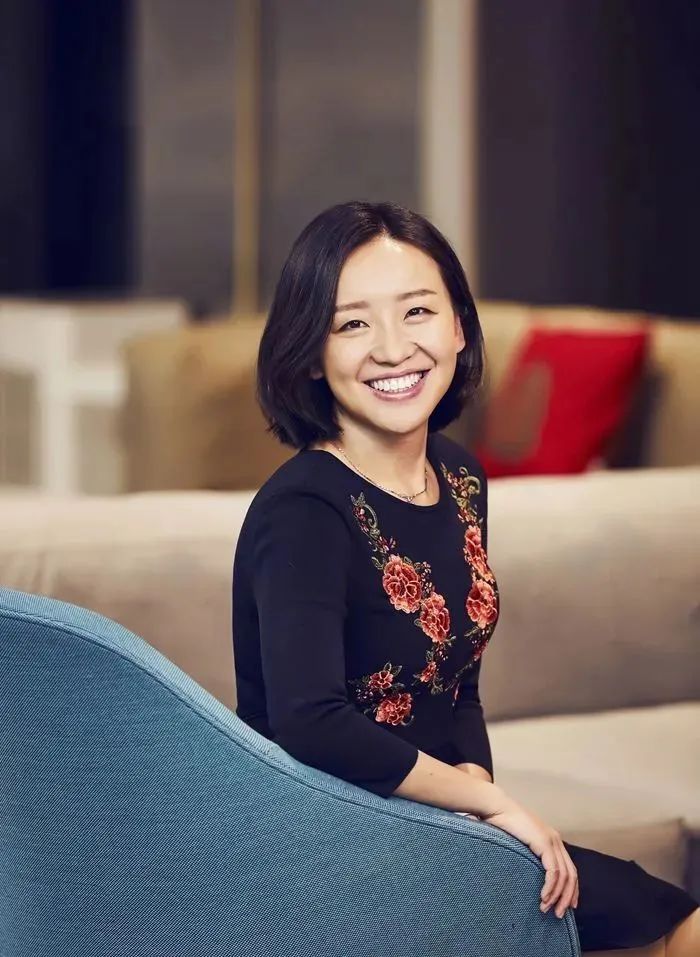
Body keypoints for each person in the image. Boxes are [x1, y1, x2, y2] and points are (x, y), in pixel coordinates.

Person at [231, 200, 699, 954]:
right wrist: (490, 806)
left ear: (458, 327)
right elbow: (310, 722)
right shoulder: (304, 510)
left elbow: (457, 685)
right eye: (352, 324)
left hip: (435, 827)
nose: (393, 348)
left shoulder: (457, 476)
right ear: (311, 353)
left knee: (663, 919)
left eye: (417, 311)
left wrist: (477, 799)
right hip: (325, 845)